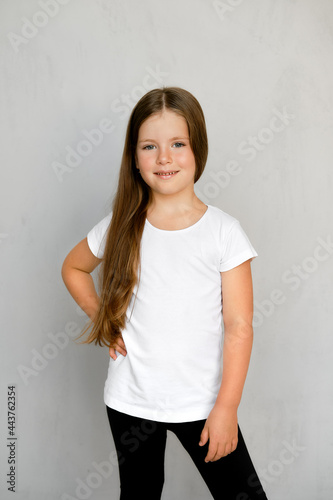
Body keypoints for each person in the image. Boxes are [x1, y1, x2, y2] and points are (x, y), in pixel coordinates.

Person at [61, 86, 268, 499]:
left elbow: (239, 327)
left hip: (204, 404)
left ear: (198, 150)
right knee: (139, 493)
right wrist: (104, 319)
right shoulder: (121, 224)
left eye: (177, 143)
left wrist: (227, 407)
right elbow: (74, 268)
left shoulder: (224, 232)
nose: (164, 158)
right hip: (131, 401)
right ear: (135, 159)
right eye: (149, 146)